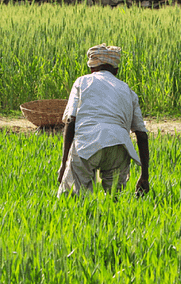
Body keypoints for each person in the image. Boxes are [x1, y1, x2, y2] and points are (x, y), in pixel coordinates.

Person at [57, 44, 150, 197]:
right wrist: (144, 176)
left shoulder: (82, 82)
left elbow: (70, 120)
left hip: (87, 142)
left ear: (92, 68)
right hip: (119, 146)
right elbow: (141, 134)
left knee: (73, 199)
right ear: (116, 70)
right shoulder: (128, 91)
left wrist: (64, 163)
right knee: (113, 199)